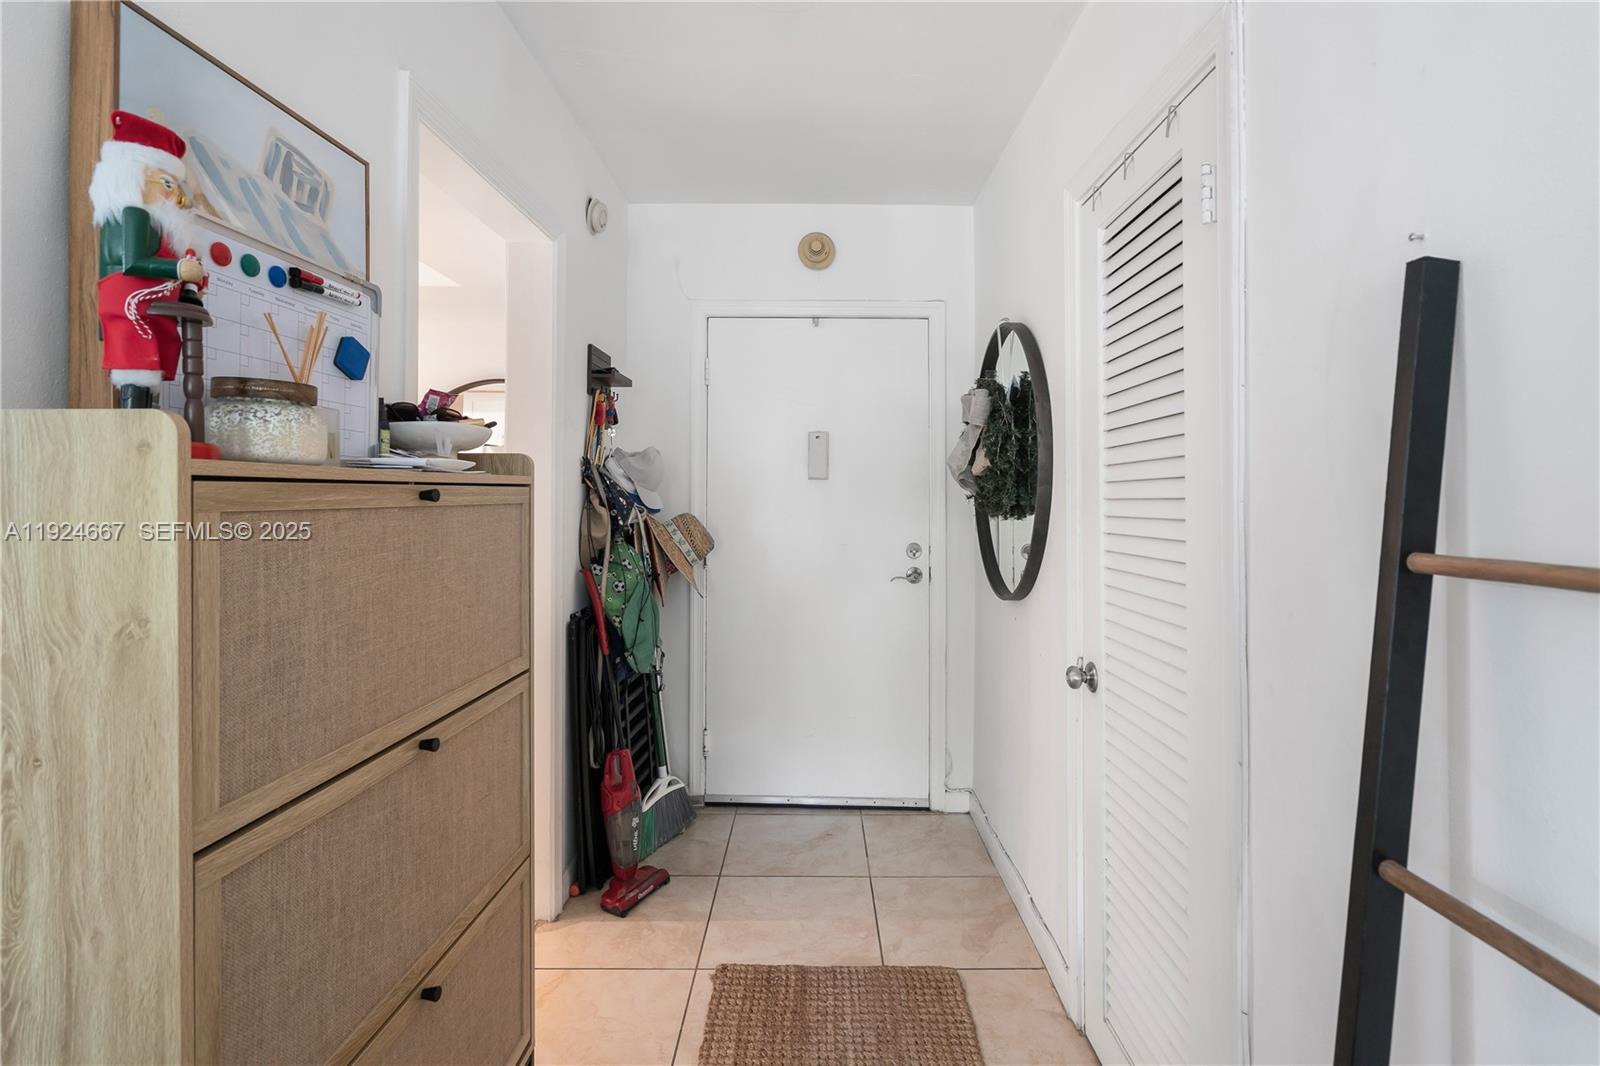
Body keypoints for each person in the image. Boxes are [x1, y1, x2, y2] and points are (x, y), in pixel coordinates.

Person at [88, 110, 206, 407]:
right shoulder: (132, 216)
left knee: (156, 358)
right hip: (131, 304)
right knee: (136, 361)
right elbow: (131, 261)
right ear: (135, 177)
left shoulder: (159, 226)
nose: (176, 197)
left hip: (153, 304)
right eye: (167, 184)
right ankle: (135, 415)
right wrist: (178, 267)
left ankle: (146, 415)